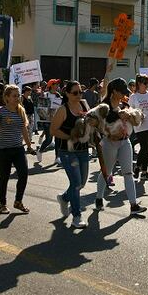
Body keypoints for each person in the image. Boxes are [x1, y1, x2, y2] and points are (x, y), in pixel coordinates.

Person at [95, 78, 147, 215]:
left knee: (128, 173)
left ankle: (133, 205)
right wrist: (119, 116)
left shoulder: (124, 104)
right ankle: (99, 197)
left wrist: (134, 116)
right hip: (109, 142)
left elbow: (136, 119)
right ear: (114, 91)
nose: (124, 94)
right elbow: (100, 123)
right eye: (122, 92)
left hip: (125, 141)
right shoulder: (104, 106)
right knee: (107, 172)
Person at [51, 80, 91, 228]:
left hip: (83, 149)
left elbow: (91, 122)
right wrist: (71, 137)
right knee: (75, 184)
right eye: (75, 92)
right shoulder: (63, 109)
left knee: (81, 183)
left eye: (80, 92)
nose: (79, 95)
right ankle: (77, 216)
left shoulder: (84, 105)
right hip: (67, 151)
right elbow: (53, 130)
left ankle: (64, 198)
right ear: (67, 94)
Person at [0, 85, 34, 216]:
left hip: (18, 148)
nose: (17, 98)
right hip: (3, 149)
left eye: (18, 95)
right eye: (14, 96)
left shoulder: (21, 110)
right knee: (4, 177)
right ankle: (2, 204)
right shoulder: (0, 111)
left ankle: (18, 201)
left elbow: (23, 129)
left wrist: (29, 145)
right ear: (7, 97)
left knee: (24, 174)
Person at [36, 79, 62, 164]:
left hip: (57, 120)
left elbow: (60, 107)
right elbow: (40, 108)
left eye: (58, 84)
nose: (57, 85)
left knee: (58, 139)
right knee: (49, 140)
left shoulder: (58, 95)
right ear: (51, 85)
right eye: (56, 84)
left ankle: (57, 157)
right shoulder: (45, 95)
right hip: (47, 121)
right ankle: (40, 150)